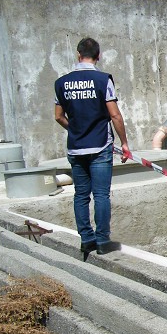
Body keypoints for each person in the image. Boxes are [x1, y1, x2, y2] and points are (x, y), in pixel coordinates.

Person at [54, 38, 131, 258]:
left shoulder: (61, 83)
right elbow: (114, 114)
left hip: (76, 148)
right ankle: (103, 240)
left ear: (78, 55)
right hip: (100, 146)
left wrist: (75, 129)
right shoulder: (102, 79)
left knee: (81, 195)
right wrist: (124, 143)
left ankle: (86, 239)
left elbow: (58, 116)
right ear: (98, 56)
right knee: (101, 195)